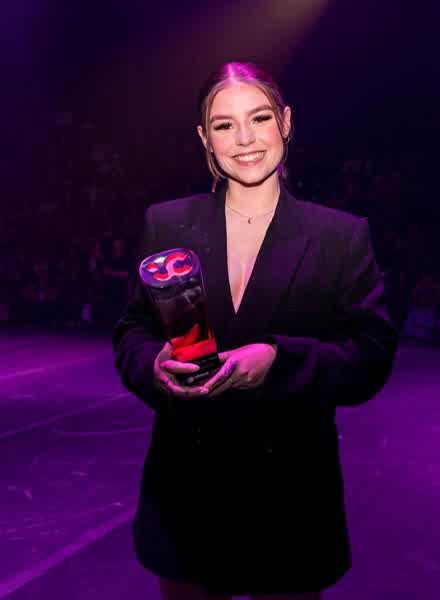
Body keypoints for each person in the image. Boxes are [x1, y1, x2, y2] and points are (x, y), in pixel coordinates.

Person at [113, 62, 398, 600]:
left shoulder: (340, 236)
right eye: (224, 125)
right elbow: (133, 329)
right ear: (205, 138)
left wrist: (280, 361)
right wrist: (152, 365)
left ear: (285, 122)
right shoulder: (166, 223)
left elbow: (371, 356)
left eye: (259, 118)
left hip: (289, 503)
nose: (244, 139)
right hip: (187, 499)